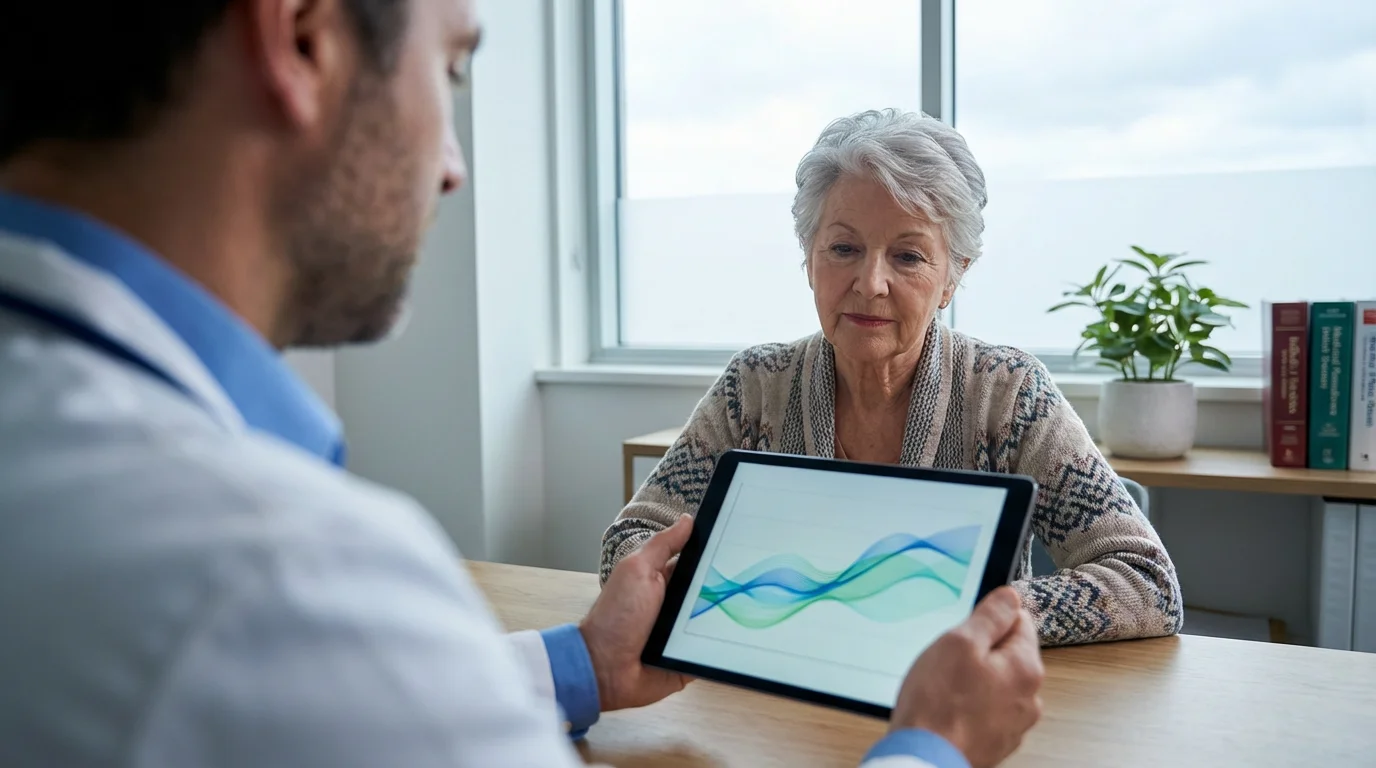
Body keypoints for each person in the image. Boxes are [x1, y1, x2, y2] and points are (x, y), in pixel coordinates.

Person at [0, 1, 1044, 766]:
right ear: (304, 38)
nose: (453, 163)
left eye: (908, 256)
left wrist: (576, 664)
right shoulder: (285, 579)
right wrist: (931, 749)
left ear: (952, 270)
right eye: (450, 71)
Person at [601, 109, 1185, 648]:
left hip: (953, 708)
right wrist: (737, 594)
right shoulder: (755, 385)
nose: (870, 282)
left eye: (908, 256)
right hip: (776, 698)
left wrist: (958, 612)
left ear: (952, 277)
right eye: (843, 248)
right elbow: (631, 544)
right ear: (809, 258)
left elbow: (1147, 584)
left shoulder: (1007, 393)